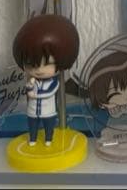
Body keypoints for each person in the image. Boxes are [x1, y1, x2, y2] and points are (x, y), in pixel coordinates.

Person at [13, 13, 81, 147]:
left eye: (48, 63)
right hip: (32, 112)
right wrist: (30, 88)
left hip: (48, 111)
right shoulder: (32, 81)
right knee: (32, 126)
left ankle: (48, 139)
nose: (39, 69)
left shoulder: (53, 83)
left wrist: (33, 93)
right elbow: (28, 89)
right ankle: (33, 139)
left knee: (49, 126)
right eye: (31, 64)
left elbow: (48, 92)